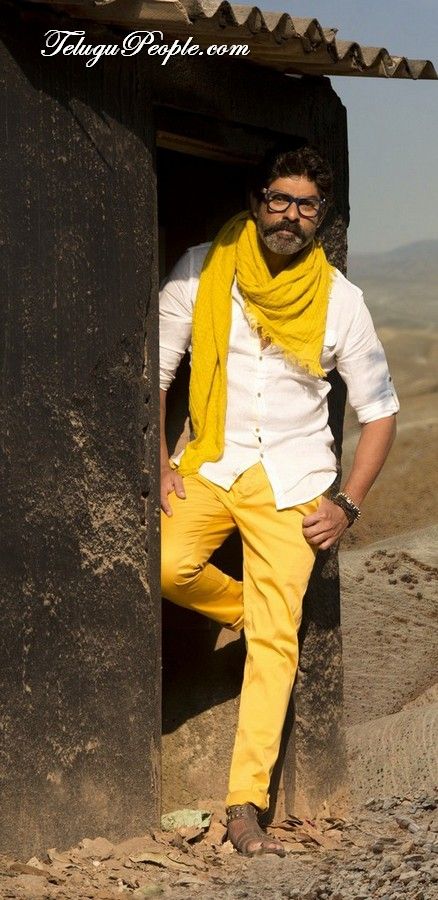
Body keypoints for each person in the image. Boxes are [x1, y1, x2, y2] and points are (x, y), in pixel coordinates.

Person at [159, 145, 399, 857]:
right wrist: (157, 460)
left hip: (294, 479)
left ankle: (245, 806)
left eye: (307, 205)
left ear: (322, 216)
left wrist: (347, 504)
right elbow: (155, 372)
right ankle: (249, 611)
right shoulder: (201, 270)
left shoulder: (342, 302)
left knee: (276, 645)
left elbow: (381, 413)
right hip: (210, 462)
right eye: (279, 200)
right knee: (165, 565)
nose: (290, 215)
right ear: (257, 201)